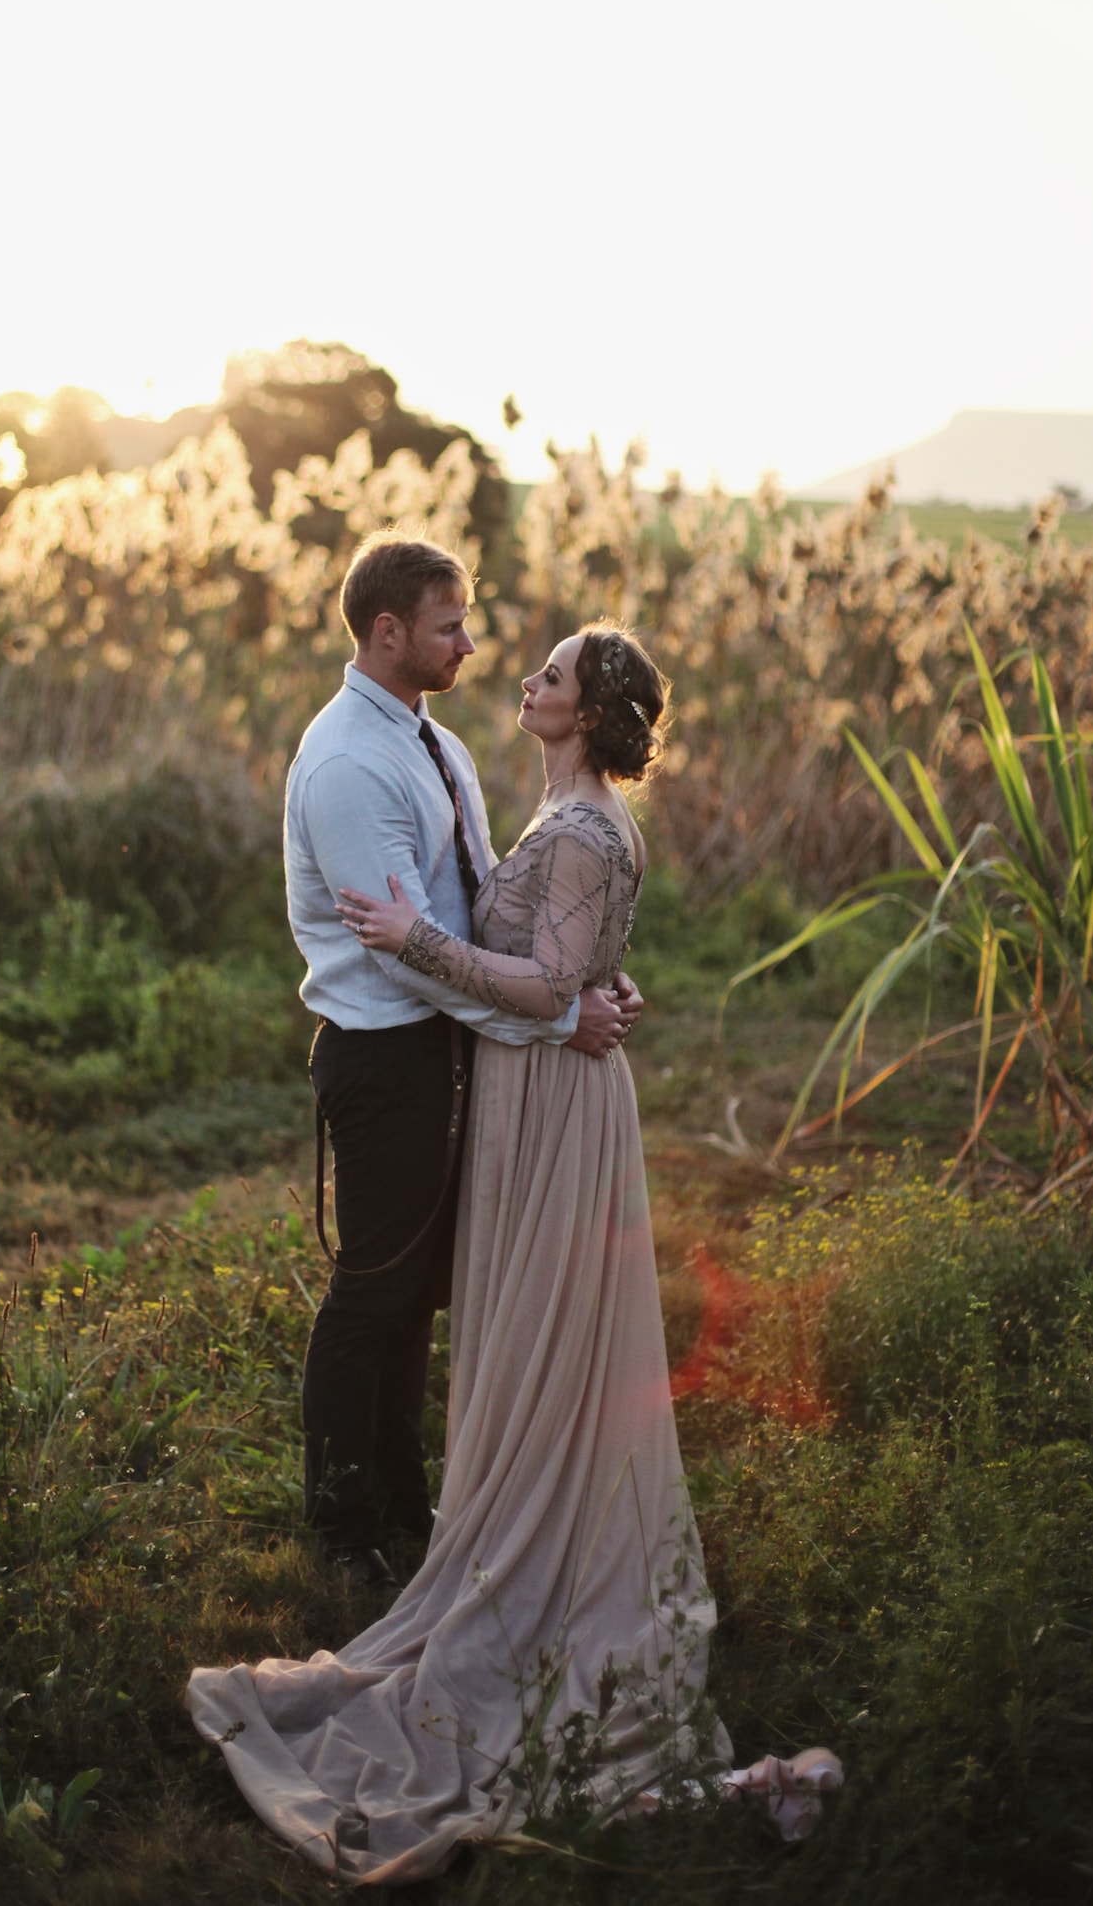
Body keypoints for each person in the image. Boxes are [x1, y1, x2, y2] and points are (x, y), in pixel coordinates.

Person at [187, 620, 841, 1882]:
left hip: (551, 1106)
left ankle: (539, 1560)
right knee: (512, 1331)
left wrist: (413, 939)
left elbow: (544, 985)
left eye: (549, 672)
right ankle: (482, 1524)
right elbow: (565, 974)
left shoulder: (589, 827)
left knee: (544, 1333)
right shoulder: (548, 810)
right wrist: (589, 983)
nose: (523, 677)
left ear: (588, 713)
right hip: (528, 1092)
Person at [278, 533, 640, 1590]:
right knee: (371, 1292)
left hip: (449, 1047)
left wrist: (584, 975)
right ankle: (345, 1533)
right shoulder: (349, 763)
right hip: (386, 1056)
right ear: (388, 632)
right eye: (450, 627)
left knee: (417, 1292)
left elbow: (475, 906)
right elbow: (405, 956)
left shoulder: (433, 743)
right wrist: (552, 1018)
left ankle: (402, 1501)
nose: (472, 645)